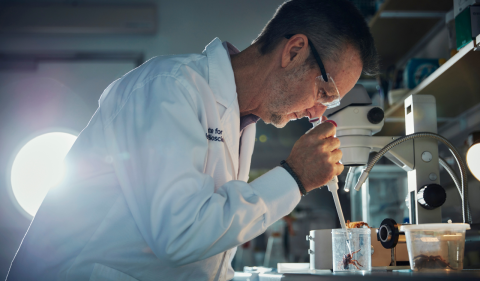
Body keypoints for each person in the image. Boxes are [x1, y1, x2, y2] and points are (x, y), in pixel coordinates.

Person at [6, 0, 378, 280]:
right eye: (324, 91)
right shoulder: (168, 89)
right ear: (294, 51)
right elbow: (179, 235)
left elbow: (207, 251)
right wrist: (294, 177)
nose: (318, 113)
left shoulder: (241, 118)